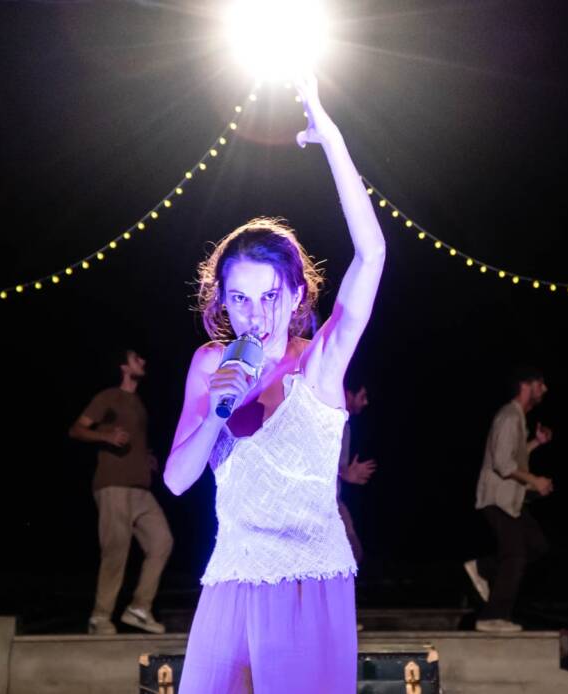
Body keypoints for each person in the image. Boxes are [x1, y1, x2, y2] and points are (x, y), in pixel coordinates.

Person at [164, 74, 386, 694]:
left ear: (294, 295)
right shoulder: (210, 365)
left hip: (309, 581)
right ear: (222, 300)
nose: (255, 314)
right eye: (239, 298)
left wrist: (332, 139)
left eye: (269, 296)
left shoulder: (321, 361)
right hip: (233, 576)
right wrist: (218, 409)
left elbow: (371, 255)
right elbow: (178, 479)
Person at [69, 348, 173, 635]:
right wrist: (106, 435)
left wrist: (146, 457)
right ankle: (100, 617)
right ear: (123, 367)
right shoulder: (109, 397)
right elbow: (77, 429)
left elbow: (135, 441)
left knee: (162, 542)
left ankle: (139, 608)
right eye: (136, 359)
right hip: (113, 485)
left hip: (141, 488)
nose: (143, 361)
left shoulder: (138, 403)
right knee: (116, 549)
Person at [465, 366, 553, 633]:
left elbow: (512, 455)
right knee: (515, 555)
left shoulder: (517, 418)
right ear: (526, 385)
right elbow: (503, 464)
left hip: (511, 501)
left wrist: (535, 443)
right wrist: (535, 481)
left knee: (536, 545)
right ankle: (492, 616)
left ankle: (483, 567)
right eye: (540, 383)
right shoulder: (509, 417)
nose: (544, 389)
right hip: (497, 498)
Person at [338, 384, 376, 565]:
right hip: (319, 502)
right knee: (351, 554)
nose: (365, 402)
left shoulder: (345, 425)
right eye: (362, 396)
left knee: (353, 553)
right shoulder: (333, 420)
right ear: (349, 394)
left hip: (333, 501)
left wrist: (344, 472)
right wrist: (344, 473)